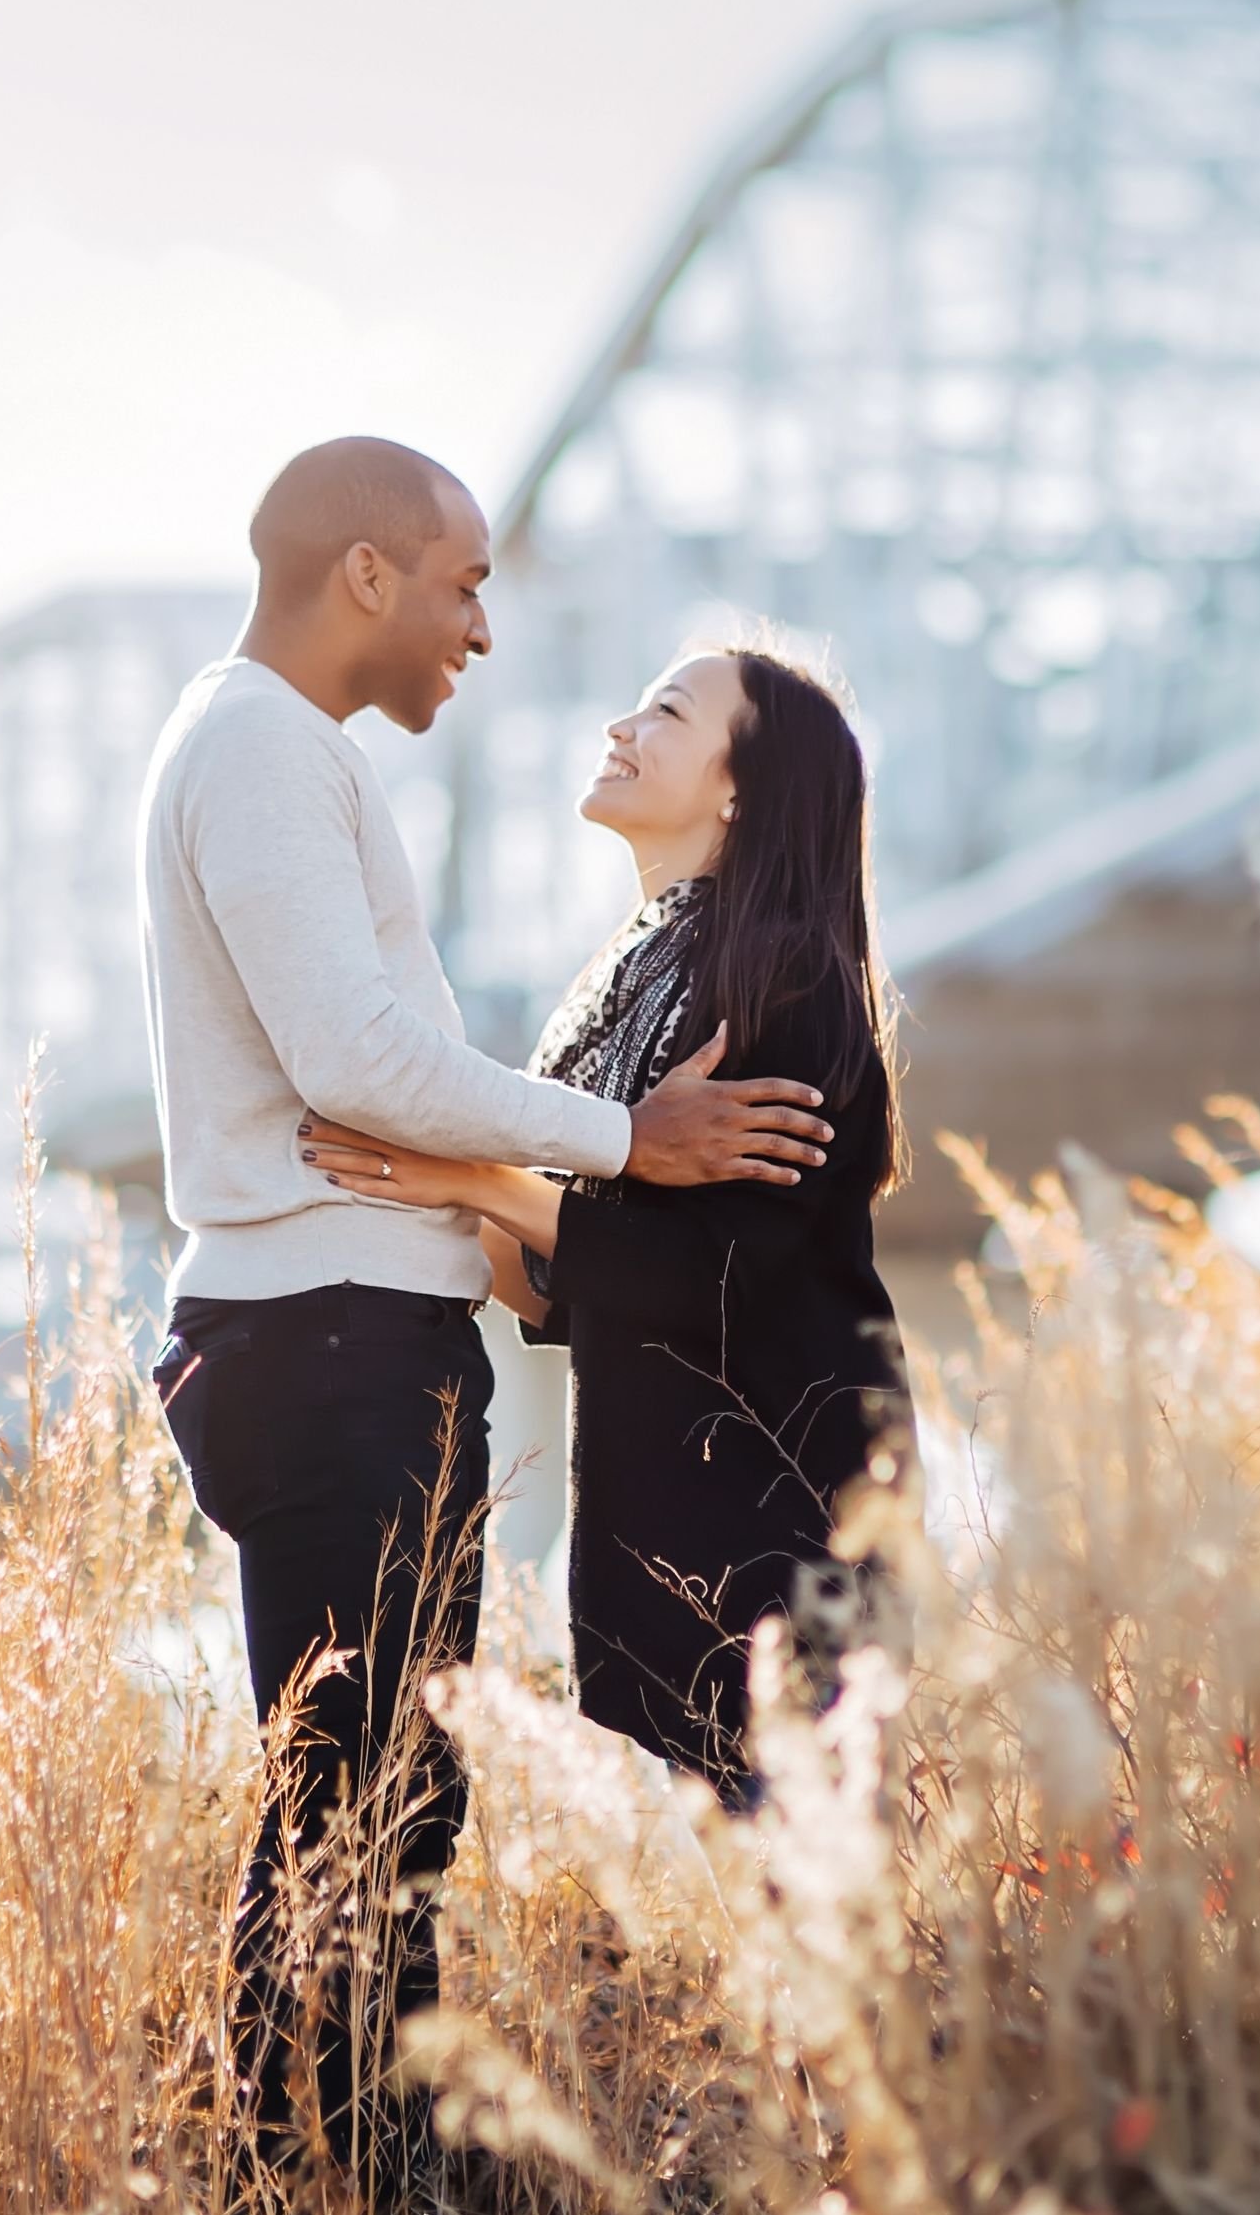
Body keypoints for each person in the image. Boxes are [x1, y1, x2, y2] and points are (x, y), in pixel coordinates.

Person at [139, 440, 835, 2191]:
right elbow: (355, 1066)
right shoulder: (260, 751)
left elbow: (381, 1104)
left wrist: (488, 1212)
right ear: (364, 575)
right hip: (328, 1357)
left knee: (369, 1822)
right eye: (462, 585)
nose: (483, 630)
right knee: (359, 1839)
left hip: (349, 1344)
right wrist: (634, 1140)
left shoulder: (272, 750)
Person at [304, 644, 910, 1805]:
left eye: (667, 712)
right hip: (670, 1557)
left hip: (781, 1561)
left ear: (741, 787)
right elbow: (570, 1288)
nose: (620, 727)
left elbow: (704, 1278)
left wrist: (470, 1173)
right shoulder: (637, 979)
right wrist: (414, 1187)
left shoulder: (785, 984)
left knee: (807, 1948)